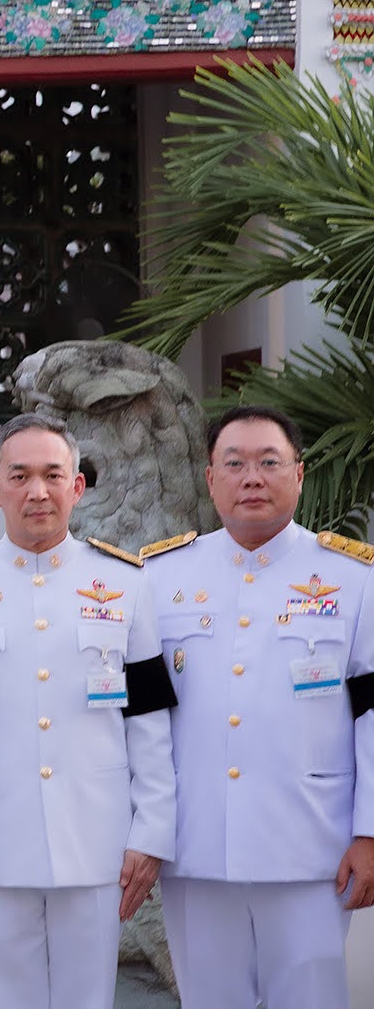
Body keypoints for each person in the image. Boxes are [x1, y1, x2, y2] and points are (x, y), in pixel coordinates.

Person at [0, 415, 175, 1009]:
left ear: (77, 486)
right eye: (21, 475)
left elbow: (150, 719)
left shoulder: (126, 581)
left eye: (53, 475)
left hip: (99, 837)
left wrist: (152, 830)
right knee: (7, 997)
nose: (38, 491)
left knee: (89, 999)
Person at [142, 404, 374, 1009]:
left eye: (269, 462)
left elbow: (373, 713)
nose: (252, 477)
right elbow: (140, 718)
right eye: (235, 463)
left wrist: (371, 831)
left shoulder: (353, 578)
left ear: (298, 475)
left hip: (310, 844)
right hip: (195, 843)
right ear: (209, 477)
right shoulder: (159, 576)